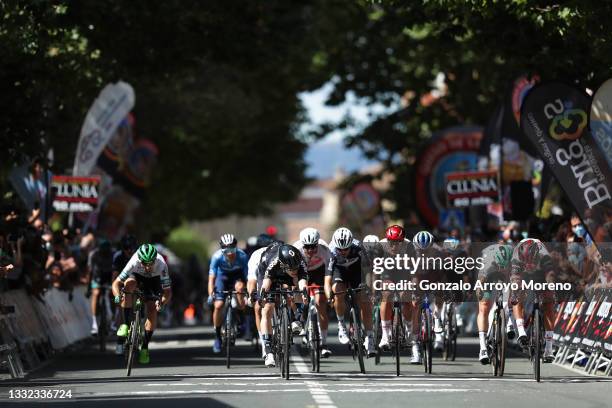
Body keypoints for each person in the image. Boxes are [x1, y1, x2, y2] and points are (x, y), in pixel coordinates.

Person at [112, 244, 172, 364]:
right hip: (137, 276)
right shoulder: (134, 261)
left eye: (151, 263)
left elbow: (167, 292)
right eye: (145, 263)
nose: (148, 267)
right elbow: (116, 283)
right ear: (140, 260)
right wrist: (118, 296)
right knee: (128, 285)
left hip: (154, 280)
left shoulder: (161, 265)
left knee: (152, 308)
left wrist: (162, 303)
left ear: (156, 259)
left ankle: (144, 347)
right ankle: (125, 325)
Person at [326, 227, 376, 357]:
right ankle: (341, 324)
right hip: (339, 271)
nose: (342, 252)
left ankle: (370, 338)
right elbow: (327, 279)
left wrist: (371, 290)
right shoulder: (331, 250)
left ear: (351, 245)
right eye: (340, 249)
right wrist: (329, 296)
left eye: (346, 249)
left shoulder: (359, 247)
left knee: (364, 300)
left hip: (356, 271)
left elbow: (369, 272)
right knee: (337, 290)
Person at [257, 242, 308, 367]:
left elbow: (302, 283)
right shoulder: (273, 263)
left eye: (296, 268)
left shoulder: (300, 262)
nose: (295, 270)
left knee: (297, 289)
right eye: (292, 269)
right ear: (283, 265)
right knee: (267, 308)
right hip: (268, 273)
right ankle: (268, 350)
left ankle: (296, 318)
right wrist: (262, 297)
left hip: (287, 275)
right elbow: (266, 285)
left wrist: (304, 294)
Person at [511, 238, 556, 363]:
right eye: (527, 262)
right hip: (522, 275)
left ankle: (549, 348)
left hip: (541, 274)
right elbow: (515, 278)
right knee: (517, 295)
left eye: (532, 262)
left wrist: (551, 289)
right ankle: (521, 332)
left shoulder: (544, 255)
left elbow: (550, 276)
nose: (530, 265)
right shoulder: (517, 256)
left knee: (548, 303)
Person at [293, 227, 333, 358]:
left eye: (313, 247)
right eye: (307, 247)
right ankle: (301, 319)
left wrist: (329, 294)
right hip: (300, 272)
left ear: (317, 244)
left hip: (319, 271)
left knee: (320, 301)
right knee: (298, 294)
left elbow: (328, 275)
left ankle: (324, 343)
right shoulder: (296, 250)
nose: (310, 250)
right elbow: (293, 275)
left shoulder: (325, 249)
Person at [207, 233, 248, 354]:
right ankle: (217, 336)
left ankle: (241, 318)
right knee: (218, 305)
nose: (229, 252)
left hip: (237, 276)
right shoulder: (216, 257)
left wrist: (247, 290)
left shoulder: (242, 256)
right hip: (222, 277)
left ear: (236, 247)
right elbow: (211, 278)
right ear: (221, 249)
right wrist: (211, 295)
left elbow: (247, 277)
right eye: (226, 249)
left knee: (239, 288)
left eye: (232, 248)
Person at [475, 243, 514, 364]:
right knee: (484, 306)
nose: (503, 268)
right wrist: (480, 291)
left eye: (505, 266)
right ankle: (482, 348)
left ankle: (508, 320)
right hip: (488, 276)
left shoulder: (514, 260)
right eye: (501, 266)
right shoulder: (487, 262)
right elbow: (480, 282)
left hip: (508, 277)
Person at [112, 234, 138, 354]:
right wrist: (117, 292)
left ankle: (139, 326)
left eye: (132, 248)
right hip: (122, 281)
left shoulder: (139, 256)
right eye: (127, 248)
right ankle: (120, 340)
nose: (129, 250)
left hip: (137, 281)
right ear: (122, 248)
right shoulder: (118, 257)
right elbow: (115, 276)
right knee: (121, 308)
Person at [87, 238, 114, 335]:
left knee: (114, 294)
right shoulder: (93, 254)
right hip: (97, 276)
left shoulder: (113, 254)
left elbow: (116, 272)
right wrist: (88, 288)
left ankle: (112, 320)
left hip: (109, 277)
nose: (105, 252)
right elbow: (90, 271)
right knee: (96, 293)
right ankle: (94, 323)